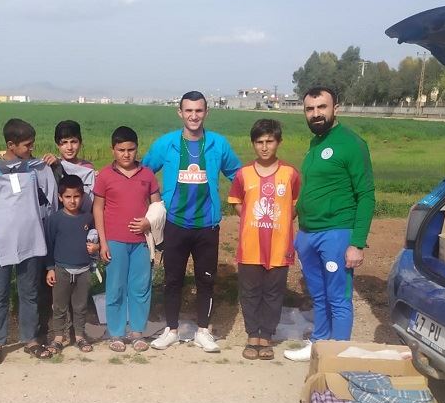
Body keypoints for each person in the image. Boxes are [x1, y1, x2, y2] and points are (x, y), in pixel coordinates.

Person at [143, 91, 242, 353]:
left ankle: (203, 331)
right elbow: (143, 171)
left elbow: (239, 175)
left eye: (198, 111)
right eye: (189, 111)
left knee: (205, 280)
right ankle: (171, 330)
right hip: (175, 223)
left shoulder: (218, 144)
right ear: (180, 113)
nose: (193, 116)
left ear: (206, 112)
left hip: (206, 226)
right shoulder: (166, 144)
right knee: (173, 279)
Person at [284, 87, 375, 362]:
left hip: (336, 234)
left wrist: (356, 243)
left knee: (338, 297)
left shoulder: (351, 143)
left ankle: (339, 355)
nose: (316, 114)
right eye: (310, 109)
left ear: (336, 108)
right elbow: (312, 191)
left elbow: (366, 195)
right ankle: (319, 344)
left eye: (322, 107)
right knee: (318, 294)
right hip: (308, 235)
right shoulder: (316, 144)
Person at [0, 119, 58, 364]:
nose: (31, 149)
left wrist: (55, 167)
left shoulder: (36, 169)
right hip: (0, 240)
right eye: (27, 145)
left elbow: (51, 198)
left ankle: (30, 339)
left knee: (29, 290)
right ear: (11, 145)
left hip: (30, 238)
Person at [227, 119, 300, 360]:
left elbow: (295, 205)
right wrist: (254, 220)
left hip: (279, 247)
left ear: (279, 142)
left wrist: (278, 222)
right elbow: (238, 204)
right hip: (250, 247)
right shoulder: (243, 174)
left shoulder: (290, 174)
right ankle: (252, 336)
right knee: (249, 292)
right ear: (253, 144)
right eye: (259, 142)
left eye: (270, 141)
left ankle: (267, 336)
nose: (265, 147)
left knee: (273, 293)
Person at [93, 126, 161, 352]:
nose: (126, 154)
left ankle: (138, 331)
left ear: (136, 149)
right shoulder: (104, 176)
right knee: (116, 287)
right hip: (115, 241)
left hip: (141, 242)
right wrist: (103, 242)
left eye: (131, 149)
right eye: (121, 149)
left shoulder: (147, 175)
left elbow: (157, 207)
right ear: (113, 150)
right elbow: (98, 209)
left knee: (140, 287)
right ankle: (116, 333)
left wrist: (148, 223)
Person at [45, 175, 99, 354]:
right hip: (61, 269)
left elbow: (94, 239)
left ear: (82, 196)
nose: (72, 200)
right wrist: (50, 268)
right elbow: (49, 245)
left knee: (80, 306)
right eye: (67, 197)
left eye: (76, 196)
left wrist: (96, 248)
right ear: (60, 198)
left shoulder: (88, 218)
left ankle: (80, 336)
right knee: (59, 306)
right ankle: (58, 337)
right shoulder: (54, 219)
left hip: (83, 270)